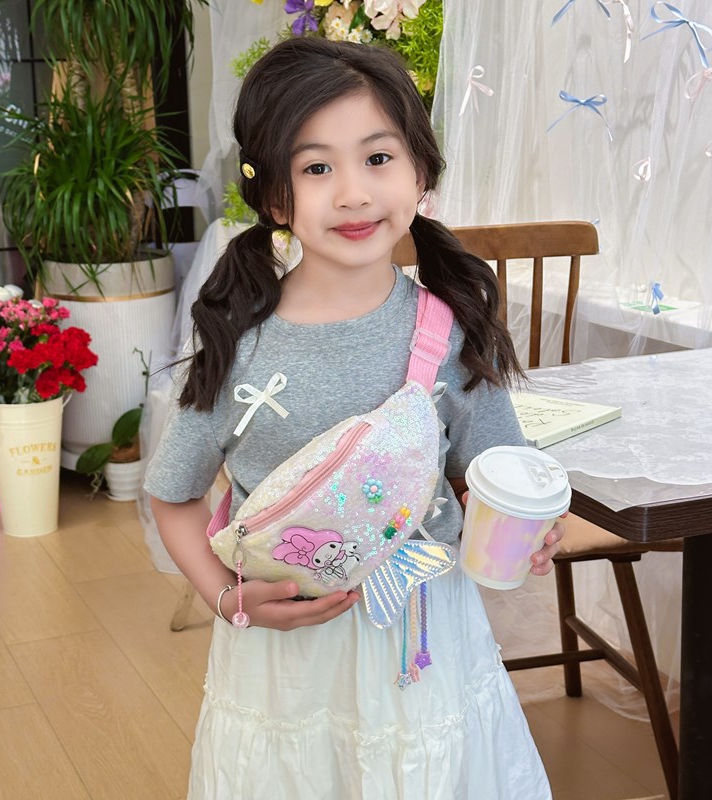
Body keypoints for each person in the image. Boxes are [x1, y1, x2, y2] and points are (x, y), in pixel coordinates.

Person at [145, 36, 564, 800]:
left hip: (423, 644)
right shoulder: (239, 345)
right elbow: (173, 498)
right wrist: (226, 598)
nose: (352, 192)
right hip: (285, 657)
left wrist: (531, 526)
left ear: (420, 172)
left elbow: (496, 477)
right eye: (316, 168)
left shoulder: (448, 331)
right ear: (275, 197)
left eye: (377, 158)